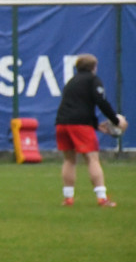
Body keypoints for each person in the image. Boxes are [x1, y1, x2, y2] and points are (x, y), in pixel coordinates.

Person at [54, 53, 127, 208]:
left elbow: (76, 104)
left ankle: (68, 198)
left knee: (69, 159)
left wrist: (94, 125)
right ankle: (102, 198)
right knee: (92, 159)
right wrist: (115, 121)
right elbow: (101, 101)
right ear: (94, 67)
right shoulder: (93, 80)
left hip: (62, 123)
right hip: (80, 124)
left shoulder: (71, 82)